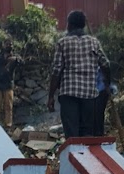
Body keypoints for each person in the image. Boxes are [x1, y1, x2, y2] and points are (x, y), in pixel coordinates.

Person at [47, 10, 110, 138]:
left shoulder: (62, 42)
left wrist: (51, 96)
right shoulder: (94, 42)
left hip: (68, 93)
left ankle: (74, 156)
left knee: (72, 134)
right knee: (87, 133)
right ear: (83, 25)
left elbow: (56, 70)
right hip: (89, 94)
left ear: (69, 25)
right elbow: (105, 64)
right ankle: (86, 157)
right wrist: (107, 83)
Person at [0, 36, 20, 132]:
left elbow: (22, 62)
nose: (9, 46)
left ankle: (8, 126)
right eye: (7, 44)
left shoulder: (15, 58)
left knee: (8, 106)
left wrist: (16, 60)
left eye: (10, 44)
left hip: (8, 85)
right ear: (3, 45)